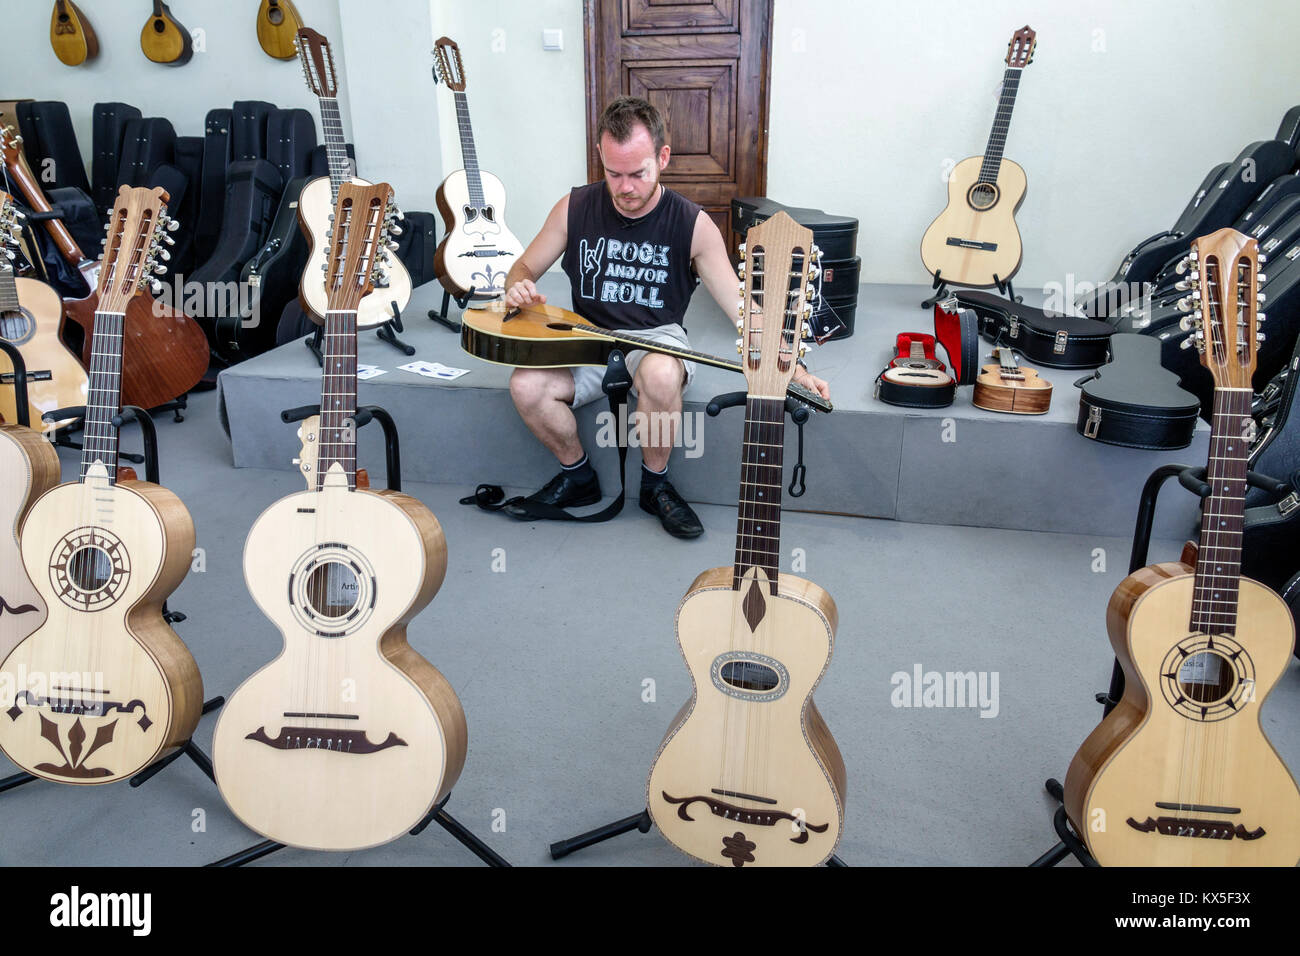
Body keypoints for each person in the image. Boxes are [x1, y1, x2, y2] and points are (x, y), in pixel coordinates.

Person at [502, 96, 830, 538]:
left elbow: (741, 308)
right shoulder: (573, 208)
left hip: (655, 336)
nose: (625, 188)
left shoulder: (691, 223)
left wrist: (793, 366)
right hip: (586, 337)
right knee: (525, 384)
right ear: (601, 157)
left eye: (638, 173)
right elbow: (522, 267)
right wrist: (516, 286)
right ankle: (578, 475)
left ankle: (655, 484)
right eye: (613, 174)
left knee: (658, 375)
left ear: (663, 157)